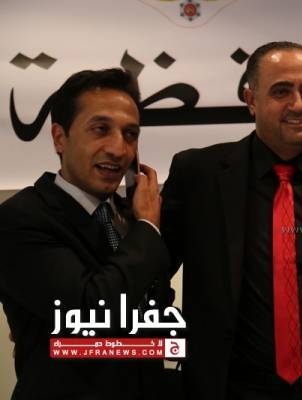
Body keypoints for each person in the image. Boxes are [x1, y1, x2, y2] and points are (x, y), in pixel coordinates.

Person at [161, 41, 302, 399]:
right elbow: (153, 272)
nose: (298, 105)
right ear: (250, 99)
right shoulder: (198, 176)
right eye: (281, 91)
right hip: (233, 392)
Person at [0, 68, 172, 400]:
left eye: (130, 134)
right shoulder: (19, 218)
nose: (119, 149)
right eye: (101, 129)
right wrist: (149, 229)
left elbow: (155, 312)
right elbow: (92, 311)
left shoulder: (129, 214)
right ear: (59, 138)